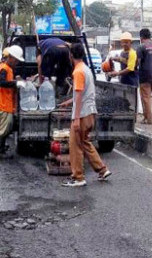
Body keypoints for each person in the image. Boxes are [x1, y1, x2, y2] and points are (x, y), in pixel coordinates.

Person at [60, 43, 112, 187]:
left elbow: (78, 95)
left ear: (71, 56)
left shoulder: (78, 72)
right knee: (84, 142)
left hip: (82, 115)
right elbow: (82, 93)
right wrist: (68, 102)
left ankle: (78, 177)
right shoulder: (86, 69)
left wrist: (76, 119)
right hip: (90, 113)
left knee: (75, 145)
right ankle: (102, 169)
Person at [0, 45, 25, 159]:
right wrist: (14, 83)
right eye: (16, 60)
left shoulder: (7, 68)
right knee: (4, 129)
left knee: (6, 128)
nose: (17, 62)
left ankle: (0, 150)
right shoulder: (4, 68)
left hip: (6, 103)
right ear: (11, 57)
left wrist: (13, 81)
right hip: (3, 103)